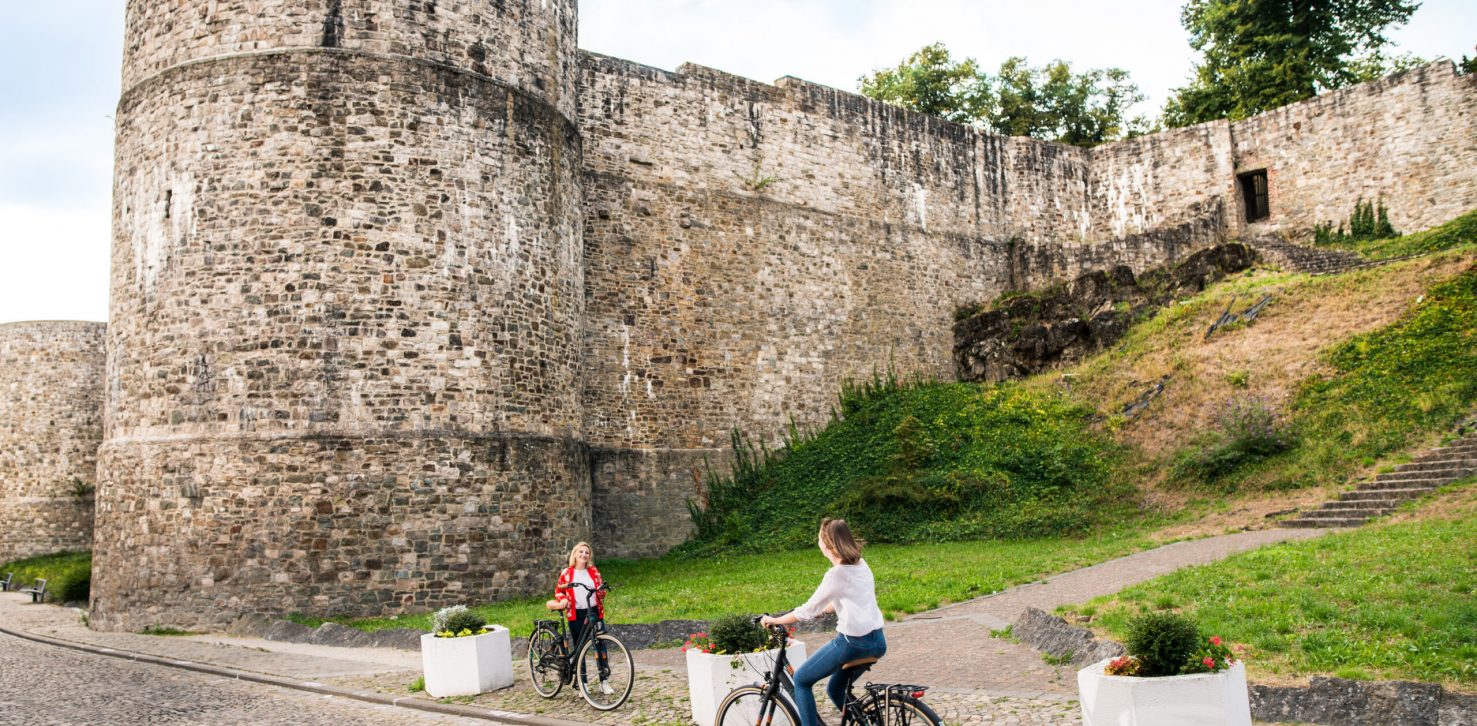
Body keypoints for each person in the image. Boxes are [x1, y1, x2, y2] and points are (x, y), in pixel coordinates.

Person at [761, 518, 885, 726]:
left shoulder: (836, 574)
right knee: (835, 689)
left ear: (826, 544)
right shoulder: (861, 564)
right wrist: (825, 609)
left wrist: (775, 620)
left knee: (801, 680)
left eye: (819, 537)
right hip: (877, 642)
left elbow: (807, 611)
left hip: (851, 644)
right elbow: (851, 598)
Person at [546, 541, 612, 693]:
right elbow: (559, 591)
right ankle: (583, 683)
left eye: (586, 553)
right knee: (579, 648)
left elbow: (599, 590)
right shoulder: (567, 573)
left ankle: (604, 681)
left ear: (589, 557)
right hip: (576, 613)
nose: (584, 555)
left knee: (600, 645)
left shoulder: (594, 571)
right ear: (575, 554)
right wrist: (563, 600)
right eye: (581, 552)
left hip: (594, 611)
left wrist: (602, 592)